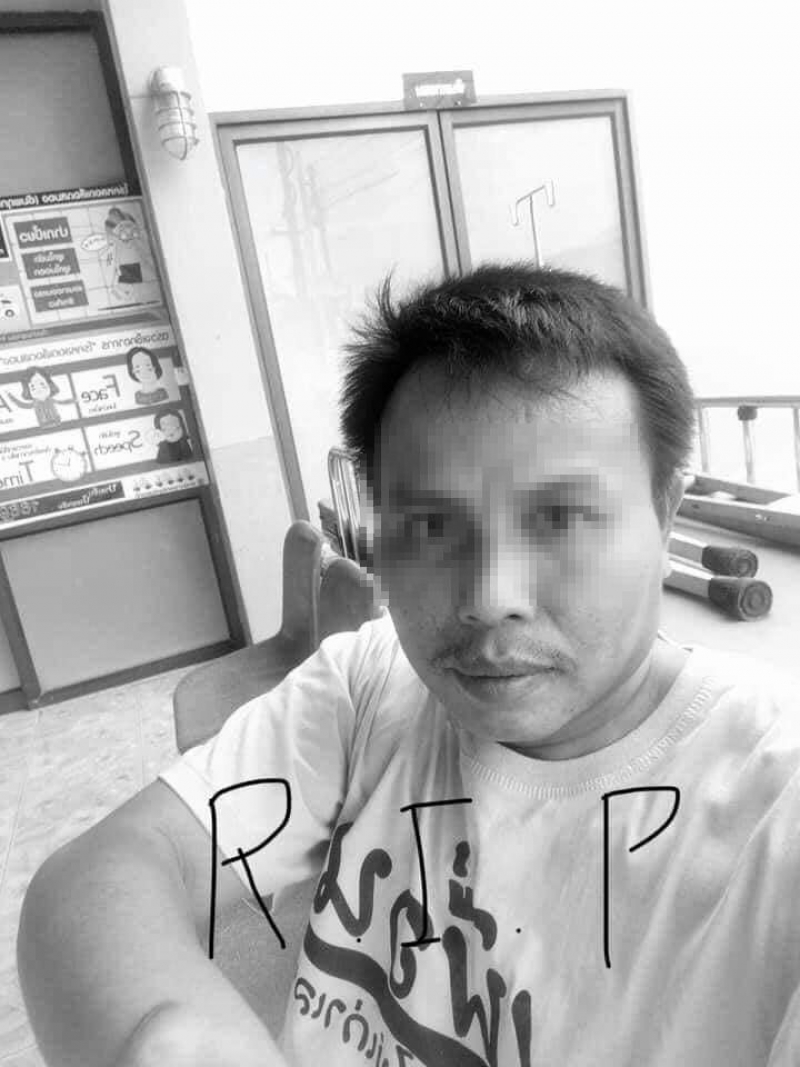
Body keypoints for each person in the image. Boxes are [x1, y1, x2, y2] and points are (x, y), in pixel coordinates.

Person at [17, 264, 800, 1067]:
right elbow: (101, 873)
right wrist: (170, 1034)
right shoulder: (373, 684)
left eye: (562, 517)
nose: (490, 598)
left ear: (665, 516)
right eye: (429, 525)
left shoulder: (774, 811)